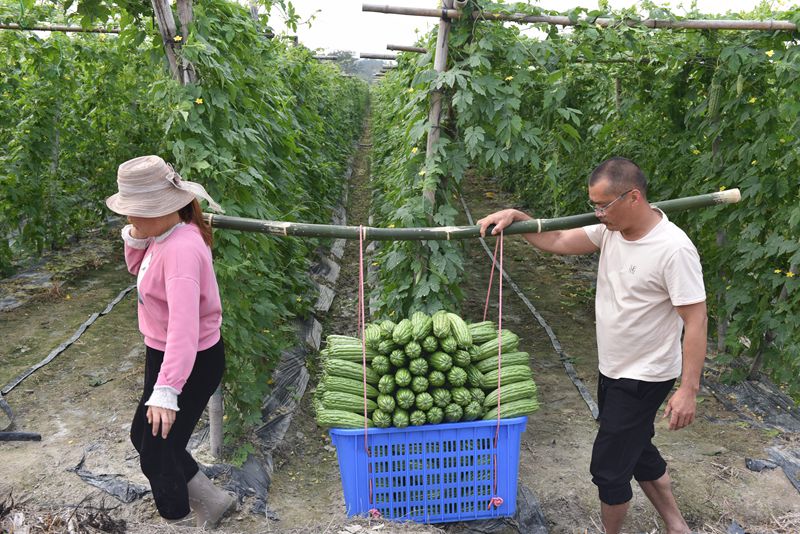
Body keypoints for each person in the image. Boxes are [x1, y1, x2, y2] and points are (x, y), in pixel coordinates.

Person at [478, 157, 707, 534]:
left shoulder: (672, 249)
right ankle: (676, 524)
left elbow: (696, 321)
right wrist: (516, 216)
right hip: (614, 369)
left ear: (633, 197)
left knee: (608, 469)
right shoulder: (611, 230)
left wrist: (688, 390)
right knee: (637, 448)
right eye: (593, 205)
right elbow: (557, 239)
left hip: (644, 377)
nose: (598, 213)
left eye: (603, 205)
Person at [106, 155, 235, 528]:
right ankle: (213, 500)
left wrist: (167, 390)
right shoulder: (163, 236)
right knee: (143, 435)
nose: (129, 219)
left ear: (163, 208)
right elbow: (139, 269)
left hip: (190, 360)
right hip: (163, 352)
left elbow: (184, 328)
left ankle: (177, 519)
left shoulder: (181, 251)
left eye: (135, 213)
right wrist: (135, 239)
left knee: (157, 454)